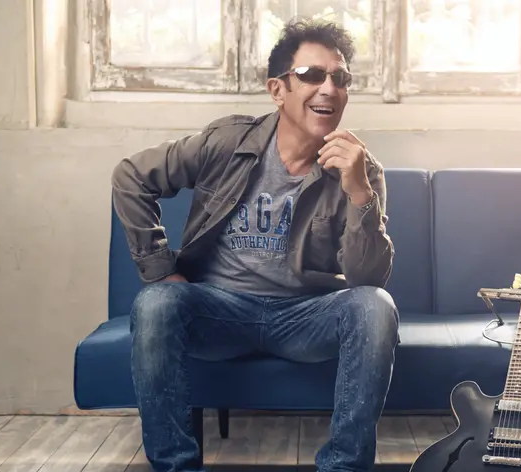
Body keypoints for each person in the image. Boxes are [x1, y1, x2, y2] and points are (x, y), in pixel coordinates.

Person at [110, 17, 399, 472]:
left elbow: (367, 279)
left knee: (375, 306)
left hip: (305, 316)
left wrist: (360, 192)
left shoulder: (360, 170)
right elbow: (130, 176)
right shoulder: (227, 143)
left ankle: (343, 467)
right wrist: (162, 270)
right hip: (220, 309)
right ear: (277, 89)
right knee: (156, 302)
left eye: (340, 78)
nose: (329, 88)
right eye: (312, 75)